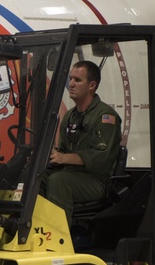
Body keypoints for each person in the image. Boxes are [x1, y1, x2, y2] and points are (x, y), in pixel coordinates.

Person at [41, 60, 122, 226]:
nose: (71, 84)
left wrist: (64, 158)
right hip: (71, 173)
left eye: (77, 80)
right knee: (37, 178)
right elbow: (62, 150)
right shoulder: (70, 116)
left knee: (59, 180)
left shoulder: (106, 117)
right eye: (70, 79)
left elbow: (101, 158)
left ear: (91, 85)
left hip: (96, 181)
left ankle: (58, 236)